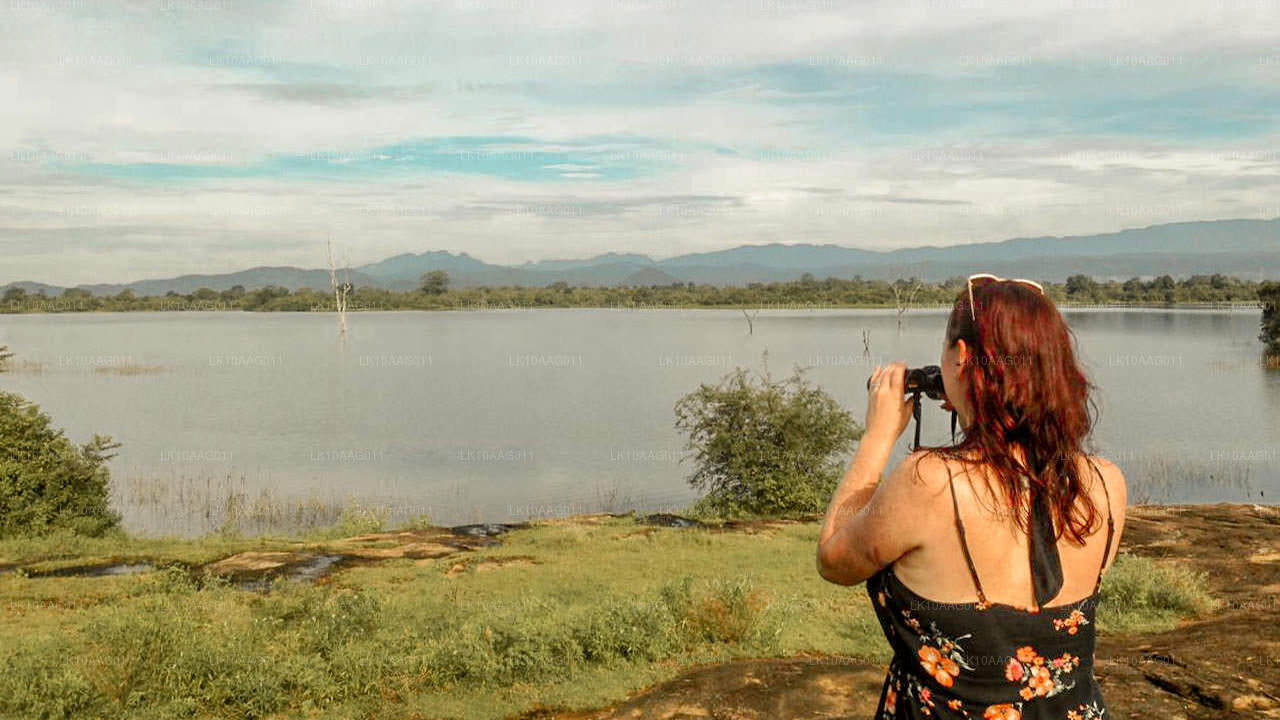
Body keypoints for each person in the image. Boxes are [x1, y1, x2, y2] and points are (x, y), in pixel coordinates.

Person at [816, 274, 1127, 720]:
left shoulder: (929, 481)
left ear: (961, 358)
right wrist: (976, 410)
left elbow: (834, 558)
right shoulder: (1106, 483)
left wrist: (877, 437)